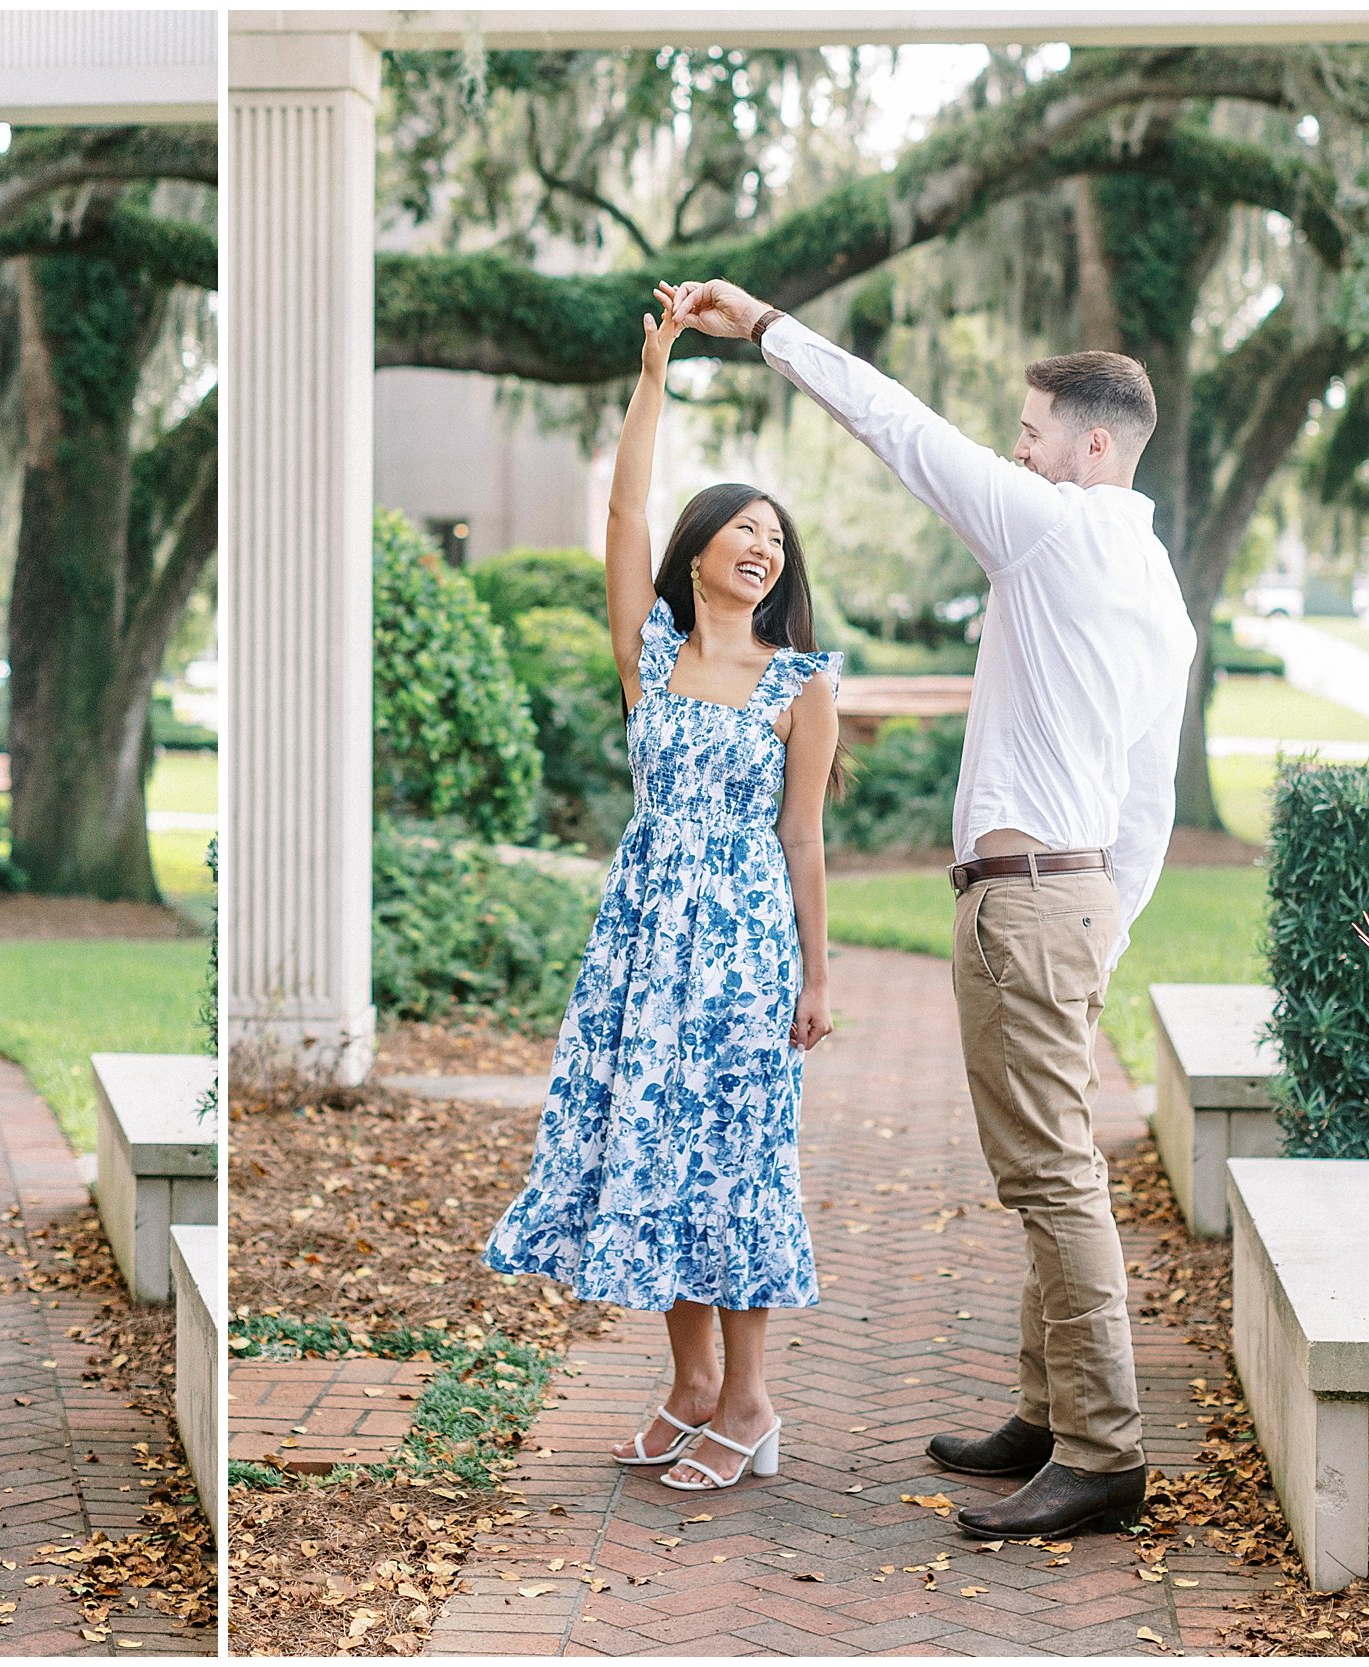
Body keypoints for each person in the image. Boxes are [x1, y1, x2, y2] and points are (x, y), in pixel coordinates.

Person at [666, 276, 1195, 1539]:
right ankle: (1050, 1413)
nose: (1014, 450)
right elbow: (1149, 790)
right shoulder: (1157, 581)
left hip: (1025, 906)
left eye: (1030, 433)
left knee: (1052, 1177)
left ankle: (1104, 1452)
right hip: (1067, 900)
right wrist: (1104, 924)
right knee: (1045, 1169)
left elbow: (897, 427)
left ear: (1095, 445)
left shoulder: (1055, 528)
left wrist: (770, 330)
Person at [484, 288, 842, 1493]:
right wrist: (655, 373)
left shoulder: (800, 684)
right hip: (643, 944)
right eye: (742, 528)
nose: (762, 545)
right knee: (652, 1152)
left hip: (744, 955)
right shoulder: (650, 654)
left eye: (777, 538)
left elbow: (804, 841)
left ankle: (749, 1400)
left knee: (733, 1163)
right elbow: (624, 504)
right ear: (699, 552)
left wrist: (817, 975)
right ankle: (688, 1384)